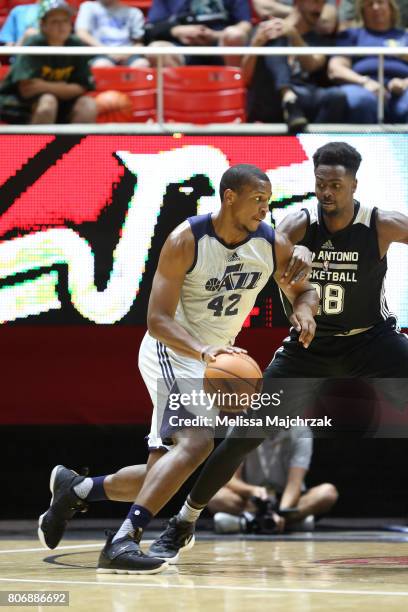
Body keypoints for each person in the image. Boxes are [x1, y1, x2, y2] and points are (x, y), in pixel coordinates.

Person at [38, 163, 318, 574]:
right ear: (229, 197)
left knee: (163, 472)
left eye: (268, 202)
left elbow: (304, 289)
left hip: (213, 359)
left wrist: (305, 311)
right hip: (173, 348)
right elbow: (157, 320)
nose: (264, 209)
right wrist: (204, 350)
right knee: (198, 444)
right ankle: (122, 541)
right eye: (257, 200)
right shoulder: (186, 240)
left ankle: (78, 488)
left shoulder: (271, 244)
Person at [143, 141, 408, 563]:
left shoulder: (381, 223)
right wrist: (295, 252)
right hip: (309, 348)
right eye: (321, 184)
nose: (327, 193)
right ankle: (184, 523)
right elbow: (271, 243)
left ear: (354, 185)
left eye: (336, 185)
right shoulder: (298, 224)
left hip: (371, 340)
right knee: (241, 437)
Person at [209, 427, 338, 534]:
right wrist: (251, 491)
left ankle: (247, 523)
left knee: (327, 493)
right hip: (252, 499)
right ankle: (290, 524)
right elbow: (231, 479)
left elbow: (294, 484)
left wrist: (281, 511)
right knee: (213, 496)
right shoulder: (240, 428)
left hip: (288, 500)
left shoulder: (301, 431)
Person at [242, 0, 347, 132]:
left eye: (322, 3)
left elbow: (314, 64)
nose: (319, 9)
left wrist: (293, 34)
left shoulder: (321, 39)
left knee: (337, 96)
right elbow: (245, 77)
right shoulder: (265, 30)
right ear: (297, 2)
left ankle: (314, 142)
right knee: (276, 36)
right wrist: (257, 43)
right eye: (315, 2)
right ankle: (286, 95)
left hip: (302, 95)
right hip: (270, 96)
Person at [0, 0, 97, 124]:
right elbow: (27, 90)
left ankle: (73, 143)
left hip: (62, 103)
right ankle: (37, 143)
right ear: (42, 25)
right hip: (20, 105)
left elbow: (82, 87)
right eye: (55, 21)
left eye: (65, 21)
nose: (61, 26)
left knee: (88, 105)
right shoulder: (33, 43)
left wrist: (44, 86)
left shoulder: (76, 44)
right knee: (48, 102)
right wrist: (65, 87)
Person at [329, 0, 408, 123]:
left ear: (391, 7)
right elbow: (335, 68)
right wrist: (364, 82)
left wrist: (404, 83)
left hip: (403, 90)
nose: (375, 7)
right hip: (362, 87)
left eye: (380, 2)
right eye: (369, 4)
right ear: (362, 11)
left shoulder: (405, 36)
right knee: (361, 100)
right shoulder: (351, 35)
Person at [144, 0, 253, 67]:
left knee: (234, 34)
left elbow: (245, 23)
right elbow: (152, 27)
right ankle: (177, 99)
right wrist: (178, 30)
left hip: (223, 45)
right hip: (183, 46)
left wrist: (217, 35)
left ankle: (235, 89)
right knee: (156, 49)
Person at [75, 0, 149, 68]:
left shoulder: (134, 12)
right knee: (102, 65)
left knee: (142, 64)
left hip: (129, 54)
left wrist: (126, 54)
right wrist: (107, 51)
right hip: (99, 53)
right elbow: (81, 33)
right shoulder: (88, 7)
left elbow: (139, 43)